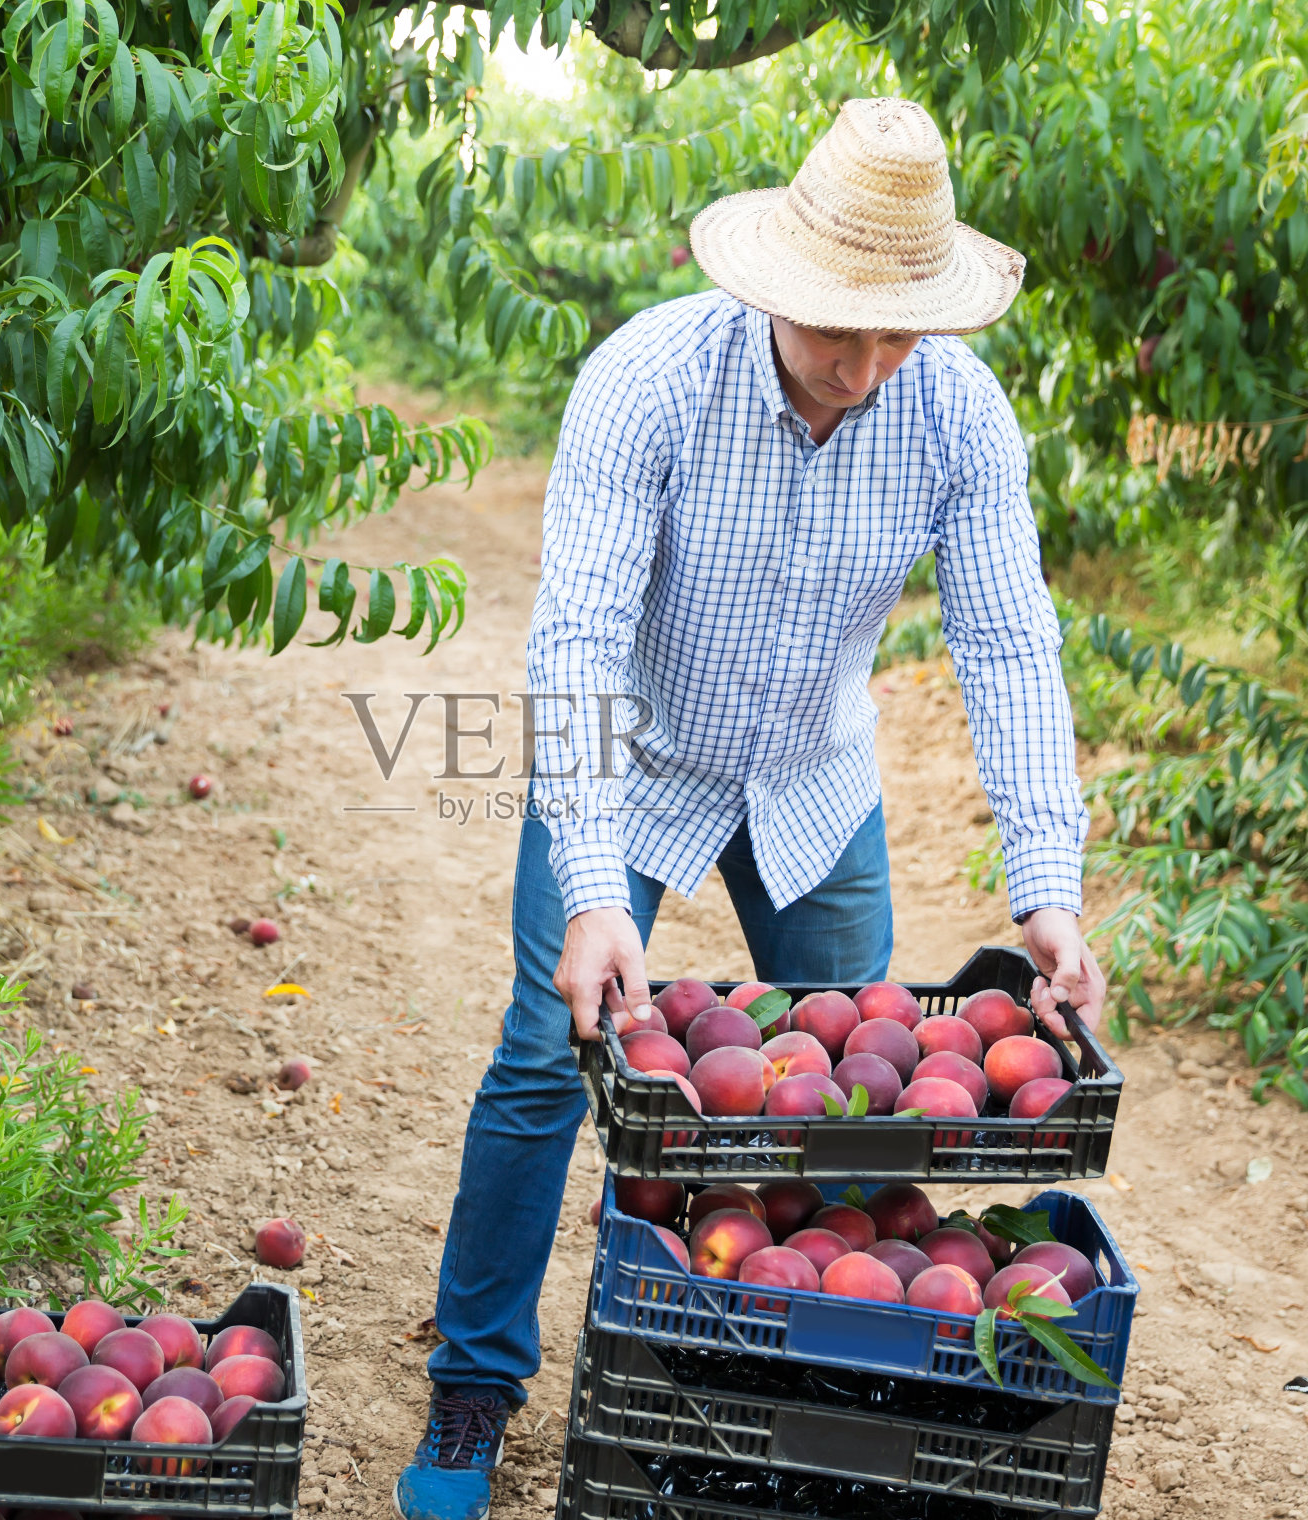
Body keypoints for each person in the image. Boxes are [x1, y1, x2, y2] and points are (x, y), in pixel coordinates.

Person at [392, 96, 1107, 1520]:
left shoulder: (956, 410)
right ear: (775, 282)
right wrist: (594, 886)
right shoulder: (648, 378)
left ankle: (804, 1376)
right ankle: (475, 1381)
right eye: (837, 328)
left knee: (855, 1112)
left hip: (812, 777)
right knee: (550, 1051)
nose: (863, 366)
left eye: (896, 333)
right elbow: (578, 639)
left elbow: (1011, 644)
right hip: (637, 758)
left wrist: (1050, 885)